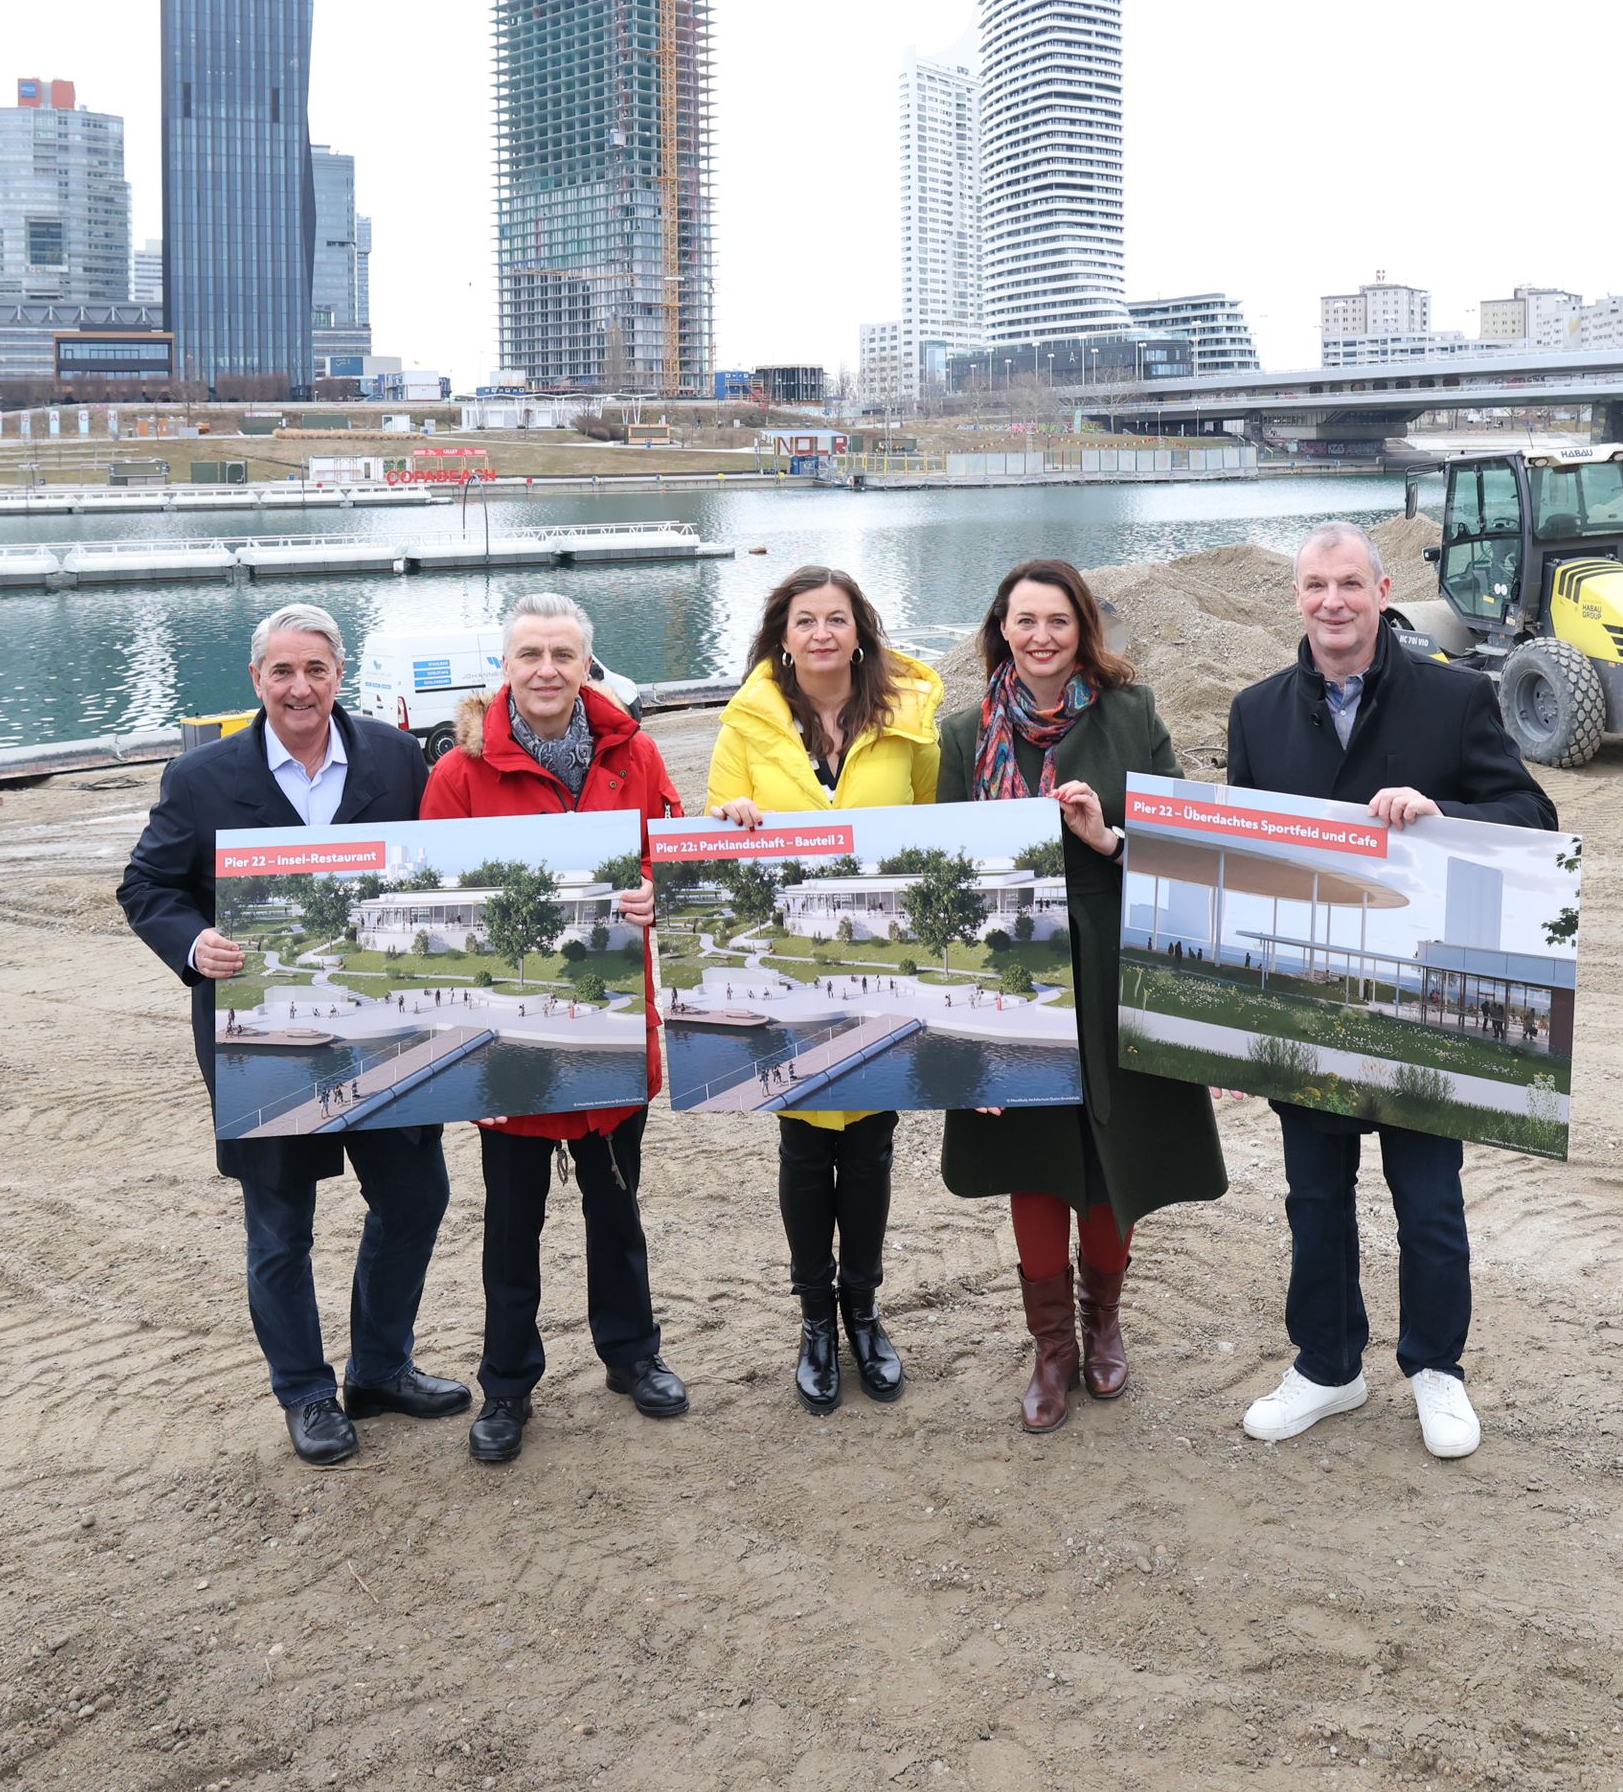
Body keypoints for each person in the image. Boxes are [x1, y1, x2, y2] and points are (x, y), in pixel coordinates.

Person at [1224, 522, 1553, 1464]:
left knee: (1430, 1203)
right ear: (1298, 597)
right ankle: (1328, 1365)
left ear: (1382, 588)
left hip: (1424, 1001)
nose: (1333, 602)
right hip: (1308, 1001)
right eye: (1315, 586)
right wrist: (1236, 1023)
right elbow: (1245, 868)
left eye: (1350, 585)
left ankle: (1436, 1368)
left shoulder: (1456, 697)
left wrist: (1446, 816)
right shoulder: (1255, 714)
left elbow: (1534, 816)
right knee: (1314, 1201)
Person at [120, 601, 464, 1468]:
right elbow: (147, 886)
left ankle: (380, 1368)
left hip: (386, 1030)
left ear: (339, 674)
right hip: (261, 1040)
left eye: (316, 669)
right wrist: (195, 943)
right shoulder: (200, 777)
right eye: (283, 671)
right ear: (256, 681)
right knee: (280, 1227)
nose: (300, 687)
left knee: (415, 1199)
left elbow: (445, 866)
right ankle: (306, 1391)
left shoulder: (395, 756)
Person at [936, 557, 1227, 1432]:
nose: (1041, 637)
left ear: (1082, 630)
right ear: (1002, 629)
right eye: (1024, 620)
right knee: (1036, 1157)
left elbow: (1185, 853)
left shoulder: (1132, 716)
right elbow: (949, 882)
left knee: (1112, 1160)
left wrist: (1107, 839)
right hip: (1012, 968)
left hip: (1113, 959)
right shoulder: (963, 734)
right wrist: (969, 1031)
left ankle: (1104, 1322)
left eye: (1057, 620)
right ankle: (1052, 1347)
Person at [418, 592, 689, 1466]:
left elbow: (670, 853)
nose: (546, 669)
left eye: (563, 654)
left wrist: (656, 888)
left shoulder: (634, 754)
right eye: (530, 653)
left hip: (612, 1032)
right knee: (512, 1224)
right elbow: (435, 904)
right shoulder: (459, 774)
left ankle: (632, 1352)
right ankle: (507, 1385)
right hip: (511, 1044)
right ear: (505, 666)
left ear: (586, 666)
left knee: (618, 1211)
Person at [704, 564, 944, 1413]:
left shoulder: (912, 721)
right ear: (782, 634)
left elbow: (930, 832)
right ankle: (814, 1318)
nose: (821, 635)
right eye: (805, 620)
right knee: (806, 1148)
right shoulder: (746, 721)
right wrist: (731, 822)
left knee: (872, 1148)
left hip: (876, 959)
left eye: (836, 619)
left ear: (860, 630)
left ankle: (864, 1310)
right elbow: (716, 827)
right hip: (791, 966)